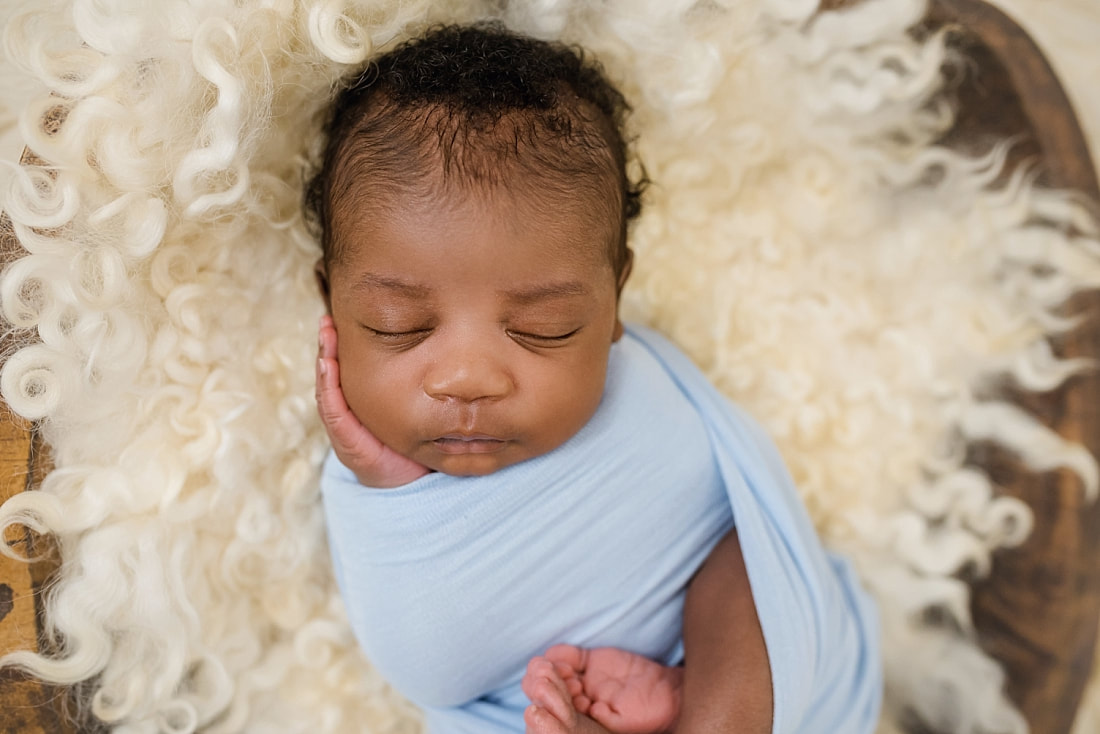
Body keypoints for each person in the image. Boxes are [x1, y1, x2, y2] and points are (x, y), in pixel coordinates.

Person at [307, 22, 881, 734]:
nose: (467, 379)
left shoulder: (643, 398)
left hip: (769, 665)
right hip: (547, 705)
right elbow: (429, 669)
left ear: (613, 304)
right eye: (398, 325)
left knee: (746, 575)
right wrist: (389, 486)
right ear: (330, 299)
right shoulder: (358, 490)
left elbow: (745, 529)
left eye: (544, 328)